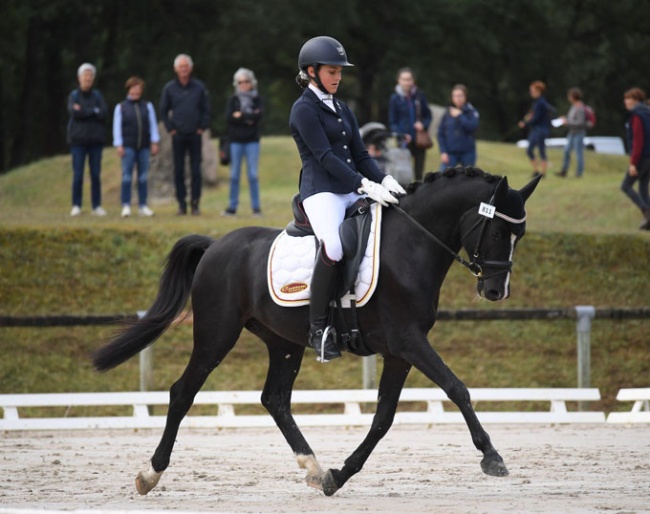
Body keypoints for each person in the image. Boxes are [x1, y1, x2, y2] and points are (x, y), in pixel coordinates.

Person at [290, 36, 405, 362]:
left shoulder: (341, 108)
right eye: (331, 71)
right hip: (321, 192)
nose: (337, 77)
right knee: (335, 247)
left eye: (339, 71)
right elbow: (325, 157)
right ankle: (318, 329)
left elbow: (360, 153)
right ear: (311, 71)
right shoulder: (303, 110)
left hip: (351, 188)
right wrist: (364, 184)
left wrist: (385, 179)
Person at [159, 54, 211, 215]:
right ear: (176, 69)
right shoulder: (170, 88)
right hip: (178, 135)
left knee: (196, 170)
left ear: (190, 68)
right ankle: (181, 204)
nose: (183, 69)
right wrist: (170, 128)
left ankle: (195, 203)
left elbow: (206, 109)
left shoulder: (199, 87)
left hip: (195, 134)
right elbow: (163, 109)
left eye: (186, 66)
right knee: (179, 170)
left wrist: (202, 127)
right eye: (181, 66)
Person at [113, 76, 160, 217]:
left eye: (138, 88)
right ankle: (126, 205)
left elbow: (152, 125)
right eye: (133, 88)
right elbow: (117, 127)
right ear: (129, 89)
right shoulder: (121, 107)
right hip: (128, 146)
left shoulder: (147, 106)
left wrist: (154, 142)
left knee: (143, 177)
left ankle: (142, 206)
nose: (136, 90)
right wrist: (118, 144)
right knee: (127, 176)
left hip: (144, 146)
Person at [67, 63, 108, 216]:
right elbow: (74, 112)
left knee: (95, 174)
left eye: (90, 76)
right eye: (85, 75)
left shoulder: (98, 96)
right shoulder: (74, 96)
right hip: (78, 141)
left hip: (95, 141)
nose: (87, 78)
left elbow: (103, 113)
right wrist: (92, 111)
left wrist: (84, 111)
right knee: (78, 174)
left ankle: (96, 205)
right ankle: (76, 205)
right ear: (79, 78)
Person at [222, 68, 263, 216]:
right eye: (240, 82)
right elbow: (229, 118)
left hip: (252, 142)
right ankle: (232, 208)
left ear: (251, 82)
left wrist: (241, 115)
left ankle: (256, 208)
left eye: (246, 81)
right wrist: (249, 117)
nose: (243, 84)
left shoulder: (257, 99)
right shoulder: (233, 100)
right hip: (236, 142)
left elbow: (258, 117)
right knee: (234, 175)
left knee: (252, 175)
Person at [388, 67, 432, 181]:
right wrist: (401, 135)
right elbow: (393, 122)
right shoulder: (395, 99)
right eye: (404, 79)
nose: (407, 82)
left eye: (409, 79)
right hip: (403, 141)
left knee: (419, 172)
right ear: (399, 80)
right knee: (402, 171)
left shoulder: (419, 96)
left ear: (413, 81)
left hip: (419, 140)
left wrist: (423, 125)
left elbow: (428, 115)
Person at [620, 87, 650, 230]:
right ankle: (648, 223)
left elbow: (638, 141)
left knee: (626, 186)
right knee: (643, 188)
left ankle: (646, 211)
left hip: (642, 157)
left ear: (636, 100)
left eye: (629, 98)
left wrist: (633, 163)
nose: (626, 101)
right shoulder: (647, 112)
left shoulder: (637, 116)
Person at [436, 84, 479, 170]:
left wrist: (460, 116)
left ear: (465, 97)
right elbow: (440, 133)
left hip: (467, 153)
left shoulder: (472, 112)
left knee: (468, 179)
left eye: (460, 96)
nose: (457, 98)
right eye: (455, 96)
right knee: (443, 177)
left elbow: (472, 127)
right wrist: (443, 151)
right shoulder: (448, 113)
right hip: (450, 153)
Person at [518, 80, 551, 178]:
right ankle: (536, 171)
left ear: (538, 91)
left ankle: (543, 173)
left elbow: (536, 118)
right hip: (536, 129)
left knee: (541, 150)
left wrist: (525, 123)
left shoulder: (541, 103)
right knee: (530, 150)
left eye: (532, 90)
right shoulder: (537, 103)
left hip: (540, 129)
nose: (531, 92)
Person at [557, 87, 587, 178]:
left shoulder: (580, 107)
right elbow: (572, 119)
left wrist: (568, 122)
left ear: (573, 96)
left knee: (579, 154)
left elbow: (580, 122)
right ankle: (564, 171)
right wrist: (565, 119)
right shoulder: (573, 106)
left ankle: (579, 173)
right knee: (566, 151)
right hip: (572, 132)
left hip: (578, 133)